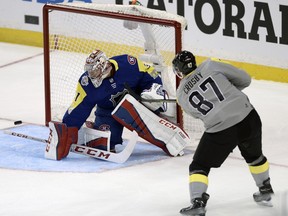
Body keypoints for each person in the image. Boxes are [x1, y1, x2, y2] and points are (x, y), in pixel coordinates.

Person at [172, 50, 274, 215]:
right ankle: (265, 189)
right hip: (248, 116)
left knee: (199, 166)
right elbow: (245, 79)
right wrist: (229, 91)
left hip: (221, 128)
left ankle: (198, 202)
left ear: (178, 71)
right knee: (254, 156)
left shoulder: (180, 94)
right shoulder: (210, 65)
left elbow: (196, 114)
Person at [44, 49, 186, 161]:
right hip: (108, 111)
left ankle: (164, 125)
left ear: (104, 65)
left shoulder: (127, 63)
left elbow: (149, 72)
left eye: (94, 71)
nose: (91, 75)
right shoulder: (87, 83)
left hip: (139, 101)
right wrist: (67, 129)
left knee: (151, 98)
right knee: (104, 146)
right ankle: (93, 127)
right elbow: (79, 107)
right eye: (89, 71)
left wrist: (155, 87)